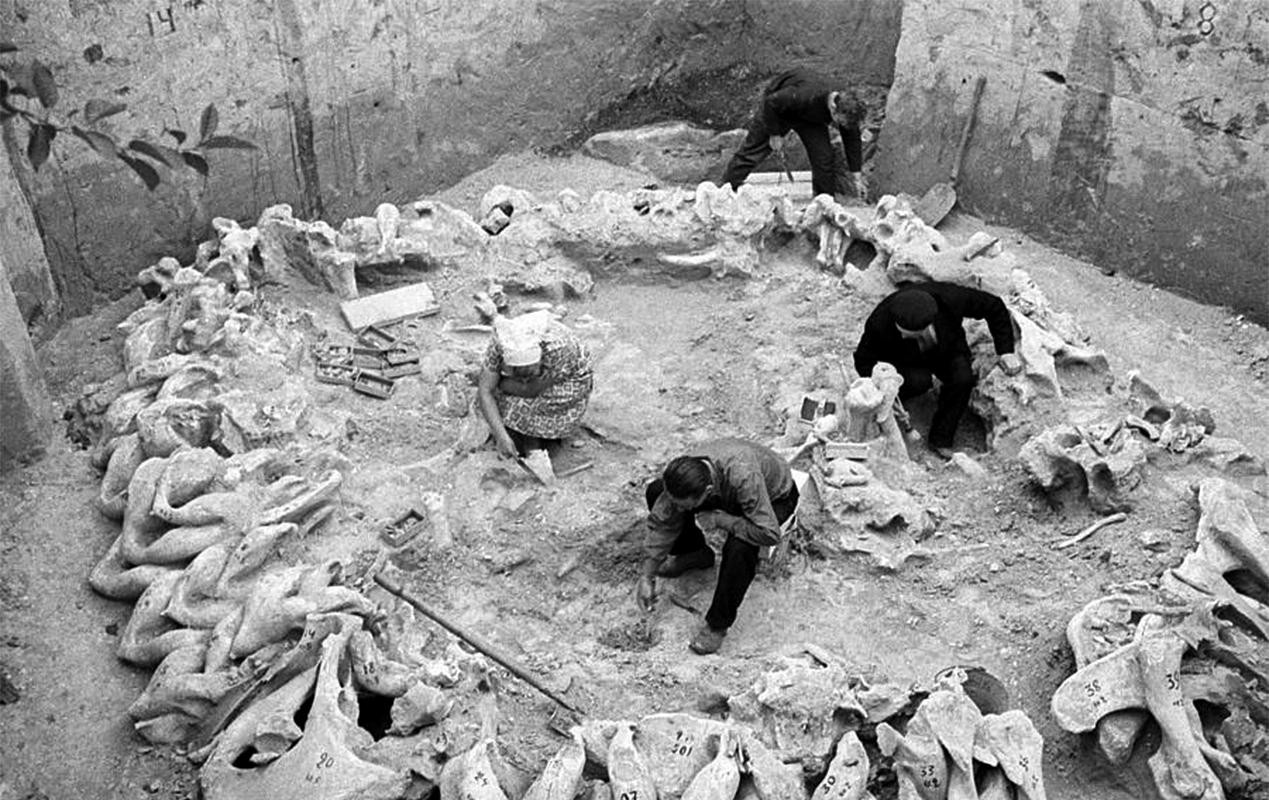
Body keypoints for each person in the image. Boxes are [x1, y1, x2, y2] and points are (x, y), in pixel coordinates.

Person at [636, 438, 799, 655]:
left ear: (707, 491)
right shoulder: (688, 472)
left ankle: (717, 625)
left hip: (773, 498)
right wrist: (647, 575)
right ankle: (695, 553)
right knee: (657, 492)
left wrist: (721, 520)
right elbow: (664, 519)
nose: (678, 510)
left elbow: (769, 533)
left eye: (684, 505)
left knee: (740, 546)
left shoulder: (744, 478)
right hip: (730, 492)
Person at [852, 282, 1022, 460]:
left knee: (963, 379)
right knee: (920, 382)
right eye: (900, 331)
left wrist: (1006, 351)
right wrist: (885, 387)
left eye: (908, 333)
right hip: (907, 362)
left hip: (948, 348)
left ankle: (941, 439)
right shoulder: (880, 321)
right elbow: (863, 360)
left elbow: (994, 305)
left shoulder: (950, 298)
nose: (902, 336)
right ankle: (909, 402)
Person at [721, 67, 868, 200]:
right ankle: (725, 191)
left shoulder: (848, 105)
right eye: (839, 121)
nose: (840, 126)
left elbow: (852, 137)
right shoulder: (804, 94)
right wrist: (774, 134)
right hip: (778, 110)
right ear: (833, 107)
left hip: (810, 118)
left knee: (823, 157)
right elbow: (771, 102)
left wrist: (856, 175)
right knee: (752, 151)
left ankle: (823, 200)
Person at [477, 310, 594, 457]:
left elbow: (530, 390)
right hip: (531, 379)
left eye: (530, 374)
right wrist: (501, 436)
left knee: (509, 403)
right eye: (519, 375)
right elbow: (485, 390)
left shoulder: (558, 350)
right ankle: (523, 439)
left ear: (541, 360)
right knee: (488, 399)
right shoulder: (501, 343)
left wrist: (499, 383)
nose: (524, 380)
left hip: (568, 381)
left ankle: (535, 442)